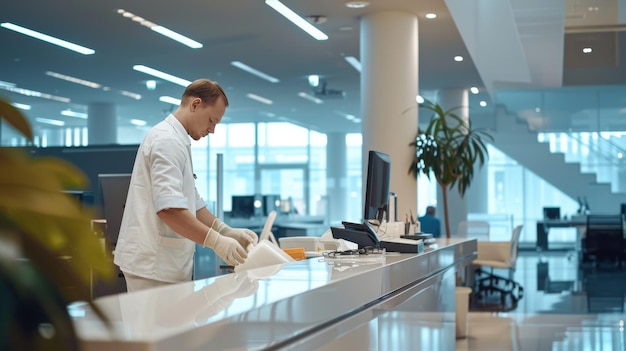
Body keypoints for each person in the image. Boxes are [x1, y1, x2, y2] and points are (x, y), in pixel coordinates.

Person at [113, 78, 258, 292]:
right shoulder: (167, 141)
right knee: (154, 326)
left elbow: (192, 203)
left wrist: (225, 230)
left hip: (164, 266)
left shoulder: (178, 141)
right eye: (211, 120)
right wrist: (216, 242)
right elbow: (170, 209)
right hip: (153, 267)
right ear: (195, 104)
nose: (212, 129)